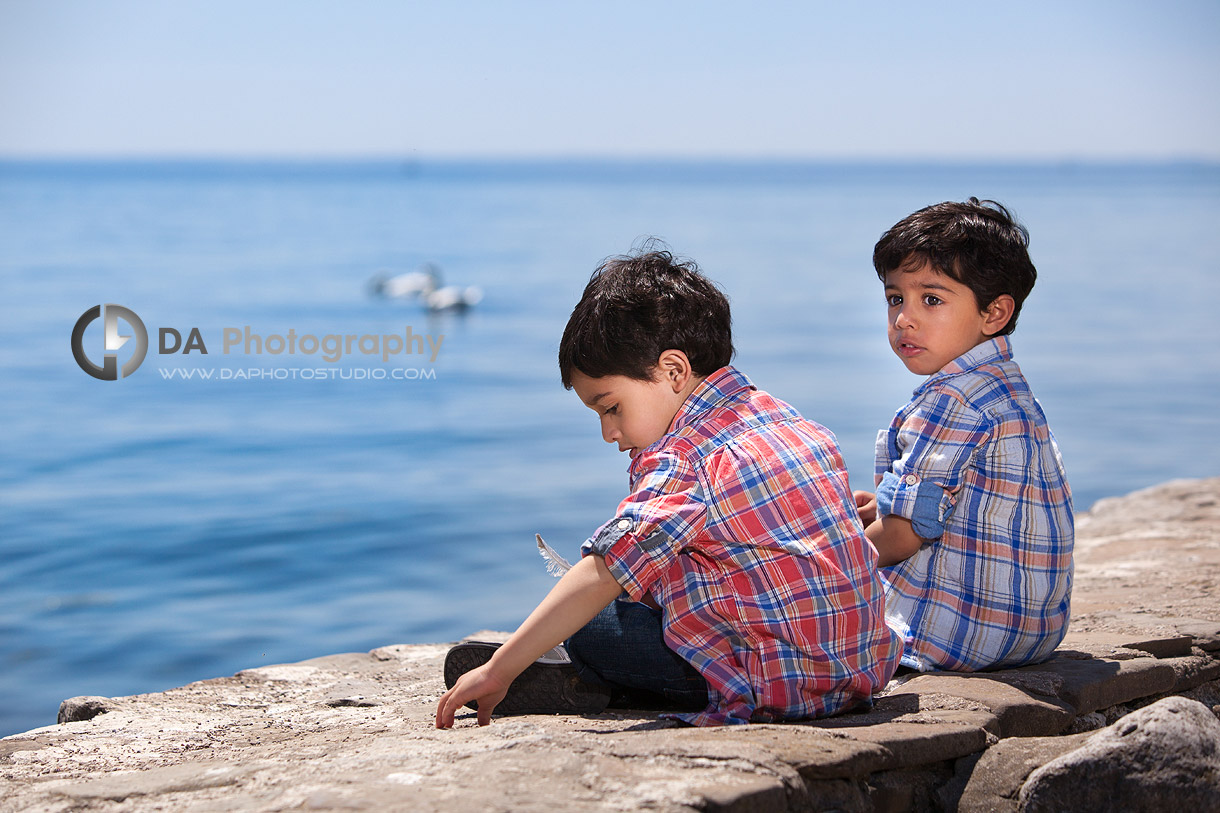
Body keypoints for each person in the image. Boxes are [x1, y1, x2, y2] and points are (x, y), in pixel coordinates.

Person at [437, 247, 901, 728]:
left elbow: (607, 567)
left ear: (674, 371)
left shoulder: (688, 457)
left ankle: (585, 678)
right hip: (861, 669)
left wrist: (498, 669)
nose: (608, 433)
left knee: (593, 628)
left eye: (611, 407)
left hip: (780, 683)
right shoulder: (790, 422)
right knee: (648, 579)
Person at [854, 198, 1074, 673]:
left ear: (993, 313)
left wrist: (826, 553)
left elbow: (903, 536)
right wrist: (883, 507)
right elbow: (970, 498)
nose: (903, 319)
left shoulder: (952, 401)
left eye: (931, 300)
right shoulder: (1005, 388)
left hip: (951, 634)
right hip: (1029, 631)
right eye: (896, 298)